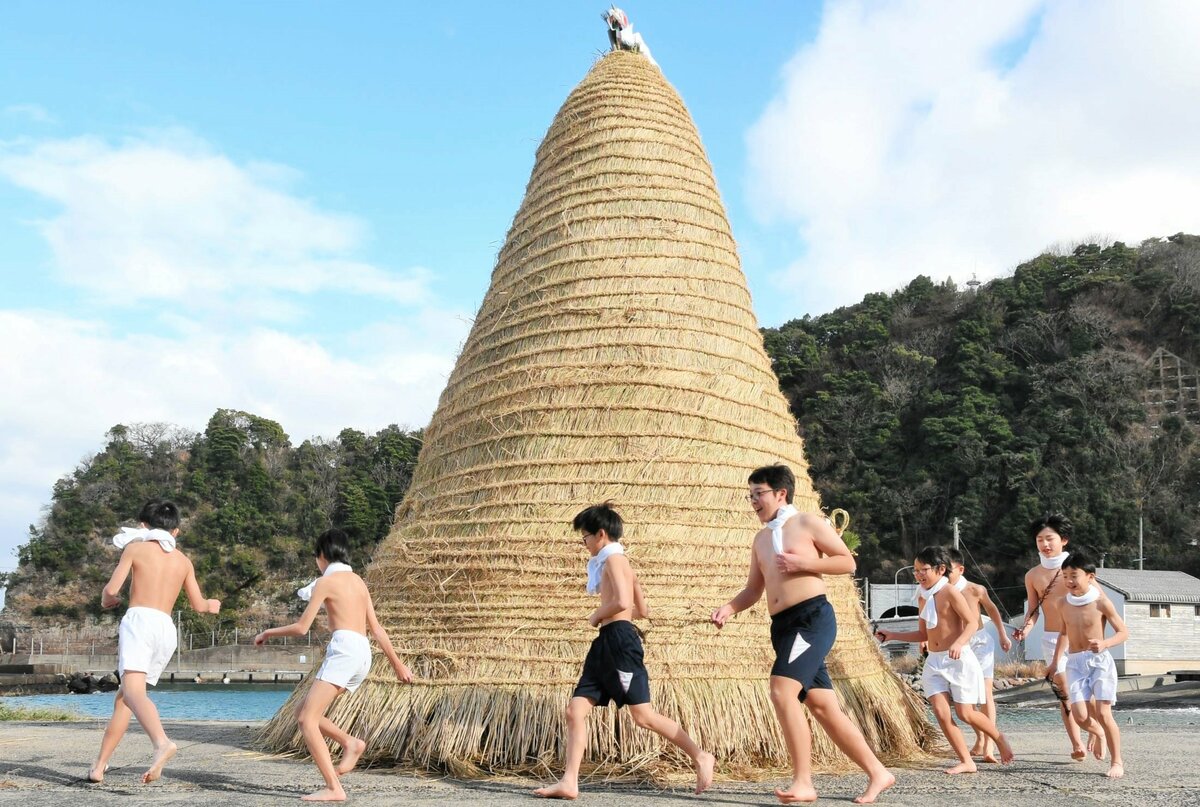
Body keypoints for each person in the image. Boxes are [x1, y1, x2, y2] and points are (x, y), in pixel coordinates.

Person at [711, 465, 895, 804]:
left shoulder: (808, 522)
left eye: (759, 493)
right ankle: (878, 772)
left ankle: (803, 782)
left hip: (811, 620)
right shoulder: (761, 539)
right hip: (782, 628)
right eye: (749, 495)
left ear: (781, 493)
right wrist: (729, 608)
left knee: (782, 691)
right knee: (823, 707)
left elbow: (846, 562)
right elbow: (754, 588)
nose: (753, 501)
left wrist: (804, 565)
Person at [535, 503, 715, 799]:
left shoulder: (615, 560)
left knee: (643, 716)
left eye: (585, 537)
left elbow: (621, 602)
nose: (584, 544)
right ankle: (569, 781)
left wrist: (597, 615)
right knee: (575, 710)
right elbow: (642, 609)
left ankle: (700, 755)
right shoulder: (617, 561)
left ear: (601, 534)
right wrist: (610, 615)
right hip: (606, 643)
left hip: (620, 642)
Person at [255, 528, 413, 802]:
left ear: (322, 556)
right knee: (302, 710)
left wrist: (268, 633)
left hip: (344, 650)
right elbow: (376, 629)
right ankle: (351, 743)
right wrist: (398, 665)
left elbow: (302, 628)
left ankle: (333, 787)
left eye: (316, 557)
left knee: (306, 719)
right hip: (363, 653)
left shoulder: (324, 583)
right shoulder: (358, 582)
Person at [89, 499, 221, 785]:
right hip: (165, 627)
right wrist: (212, 604)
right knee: (126, 698)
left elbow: (111, 589)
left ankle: (161, 742)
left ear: (143, 526)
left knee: (134, 694)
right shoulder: (184, 561)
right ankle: (99, 766)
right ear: (176, 532)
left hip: (140, 622)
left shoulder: (135, 548)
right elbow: (199, 605)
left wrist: (108, 599)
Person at [877, 546, 1014, 774]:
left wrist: (959, 643)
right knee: (941, 713)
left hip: (959, 660)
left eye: (924, 570)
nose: (919, 574)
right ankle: (966, 761)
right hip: (935, 662)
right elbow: (923, 635)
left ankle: (999, 738)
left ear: (941, 570)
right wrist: (893, 635)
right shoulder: (923, 597)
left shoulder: (951, 592)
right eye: (916, 570)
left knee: (965, 713)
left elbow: (971, 623)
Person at [1012, 513, 1091, 760]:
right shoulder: (1033, 575)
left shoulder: (1077, 570)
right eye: (1039, 540)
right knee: (1064, 691)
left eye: (1050, 539)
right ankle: (1077, 743)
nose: (1045, 545)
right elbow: (1034, 611)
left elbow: (1095, 601)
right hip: (1051, 639)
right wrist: (1025, 629)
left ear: (1063, 540)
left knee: (1087, 692)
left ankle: (1095, 731)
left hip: (1081, 640)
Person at [1048, 550, 1128, 778]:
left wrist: (1105, 643)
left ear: (1090, 576)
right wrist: (1055, 662)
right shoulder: (1063, 603)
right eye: (1065, 576)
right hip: (1074, 662)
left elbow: (1123, 633)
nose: (1069, 581)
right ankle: (1098, 733)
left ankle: (1117, 762)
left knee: (1104, 712)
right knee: (1081, 716)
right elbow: (1063, 633)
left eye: (1074, 575)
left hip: (1099, 662)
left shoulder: (1101, 602)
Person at [946, 547, 1012, 762]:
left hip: (980, 642)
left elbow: (992, 610)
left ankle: (989, 745)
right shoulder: (939, 591)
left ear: (960, 569)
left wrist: (1003, 635)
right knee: (966, 699)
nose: (944, 574)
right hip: (958, 644)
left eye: (948, 569)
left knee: (985, 693)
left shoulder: (975, 589)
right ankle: (980, 738)